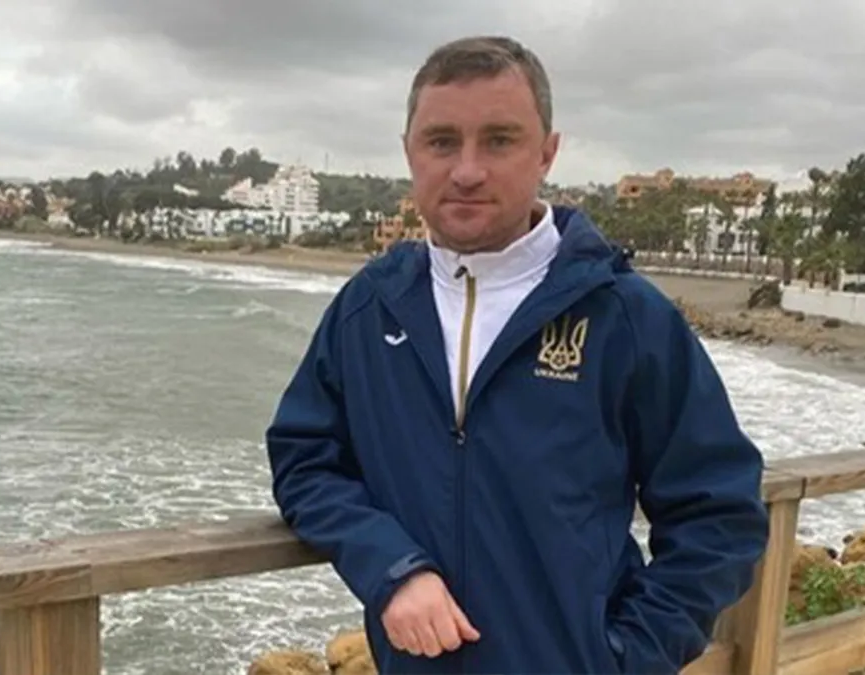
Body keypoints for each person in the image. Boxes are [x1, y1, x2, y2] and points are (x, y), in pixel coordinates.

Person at [265, 35, 769, 674]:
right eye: (442, 141)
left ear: (547, 153)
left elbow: (718, 512)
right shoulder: (369, 310)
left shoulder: (623, 316)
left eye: (499, 140)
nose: (467, 170)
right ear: (409, 152)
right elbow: (305, 459)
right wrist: (390, 567)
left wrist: (626, 657)